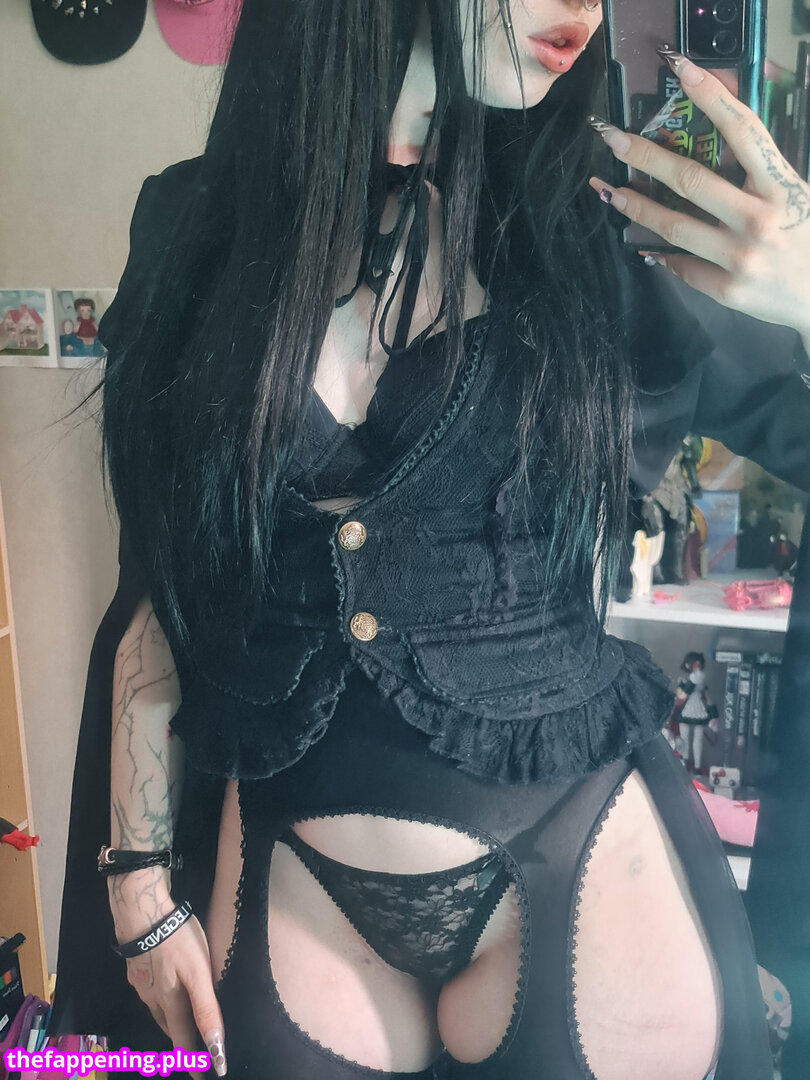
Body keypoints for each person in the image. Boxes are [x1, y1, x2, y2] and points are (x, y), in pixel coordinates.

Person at [50, 2, 810, 1079]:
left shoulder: (606, 228)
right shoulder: (193, 229)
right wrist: (135, 885)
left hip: (584, 862)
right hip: (290, 881)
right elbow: (162, 588)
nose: (583, 6)